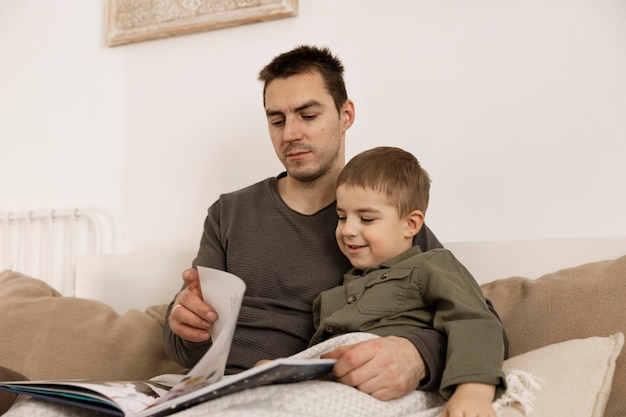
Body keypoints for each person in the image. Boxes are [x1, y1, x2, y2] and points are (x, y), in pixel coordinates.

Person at [164, 45, 505, 401]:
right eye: (277, 120)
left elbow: (483, 324)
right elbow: (186, 348)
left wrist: (416, 355)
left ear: (346, 114)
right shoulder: (228, 212)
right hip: (208, 389)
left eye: (308, 116)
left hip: (301, 394)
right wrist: (186, 325)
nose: (290, 134)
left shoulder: (384, 219)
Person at [311, 146, 507, 417]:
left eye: (366, 218)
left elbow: (475, 321)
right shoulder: (341, 291)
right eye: (342, 217)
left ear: (411, 225)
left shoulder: (431, 265)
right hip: (333, 380)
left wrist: (472, 392)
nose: (348, 230)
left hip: (383, 391)